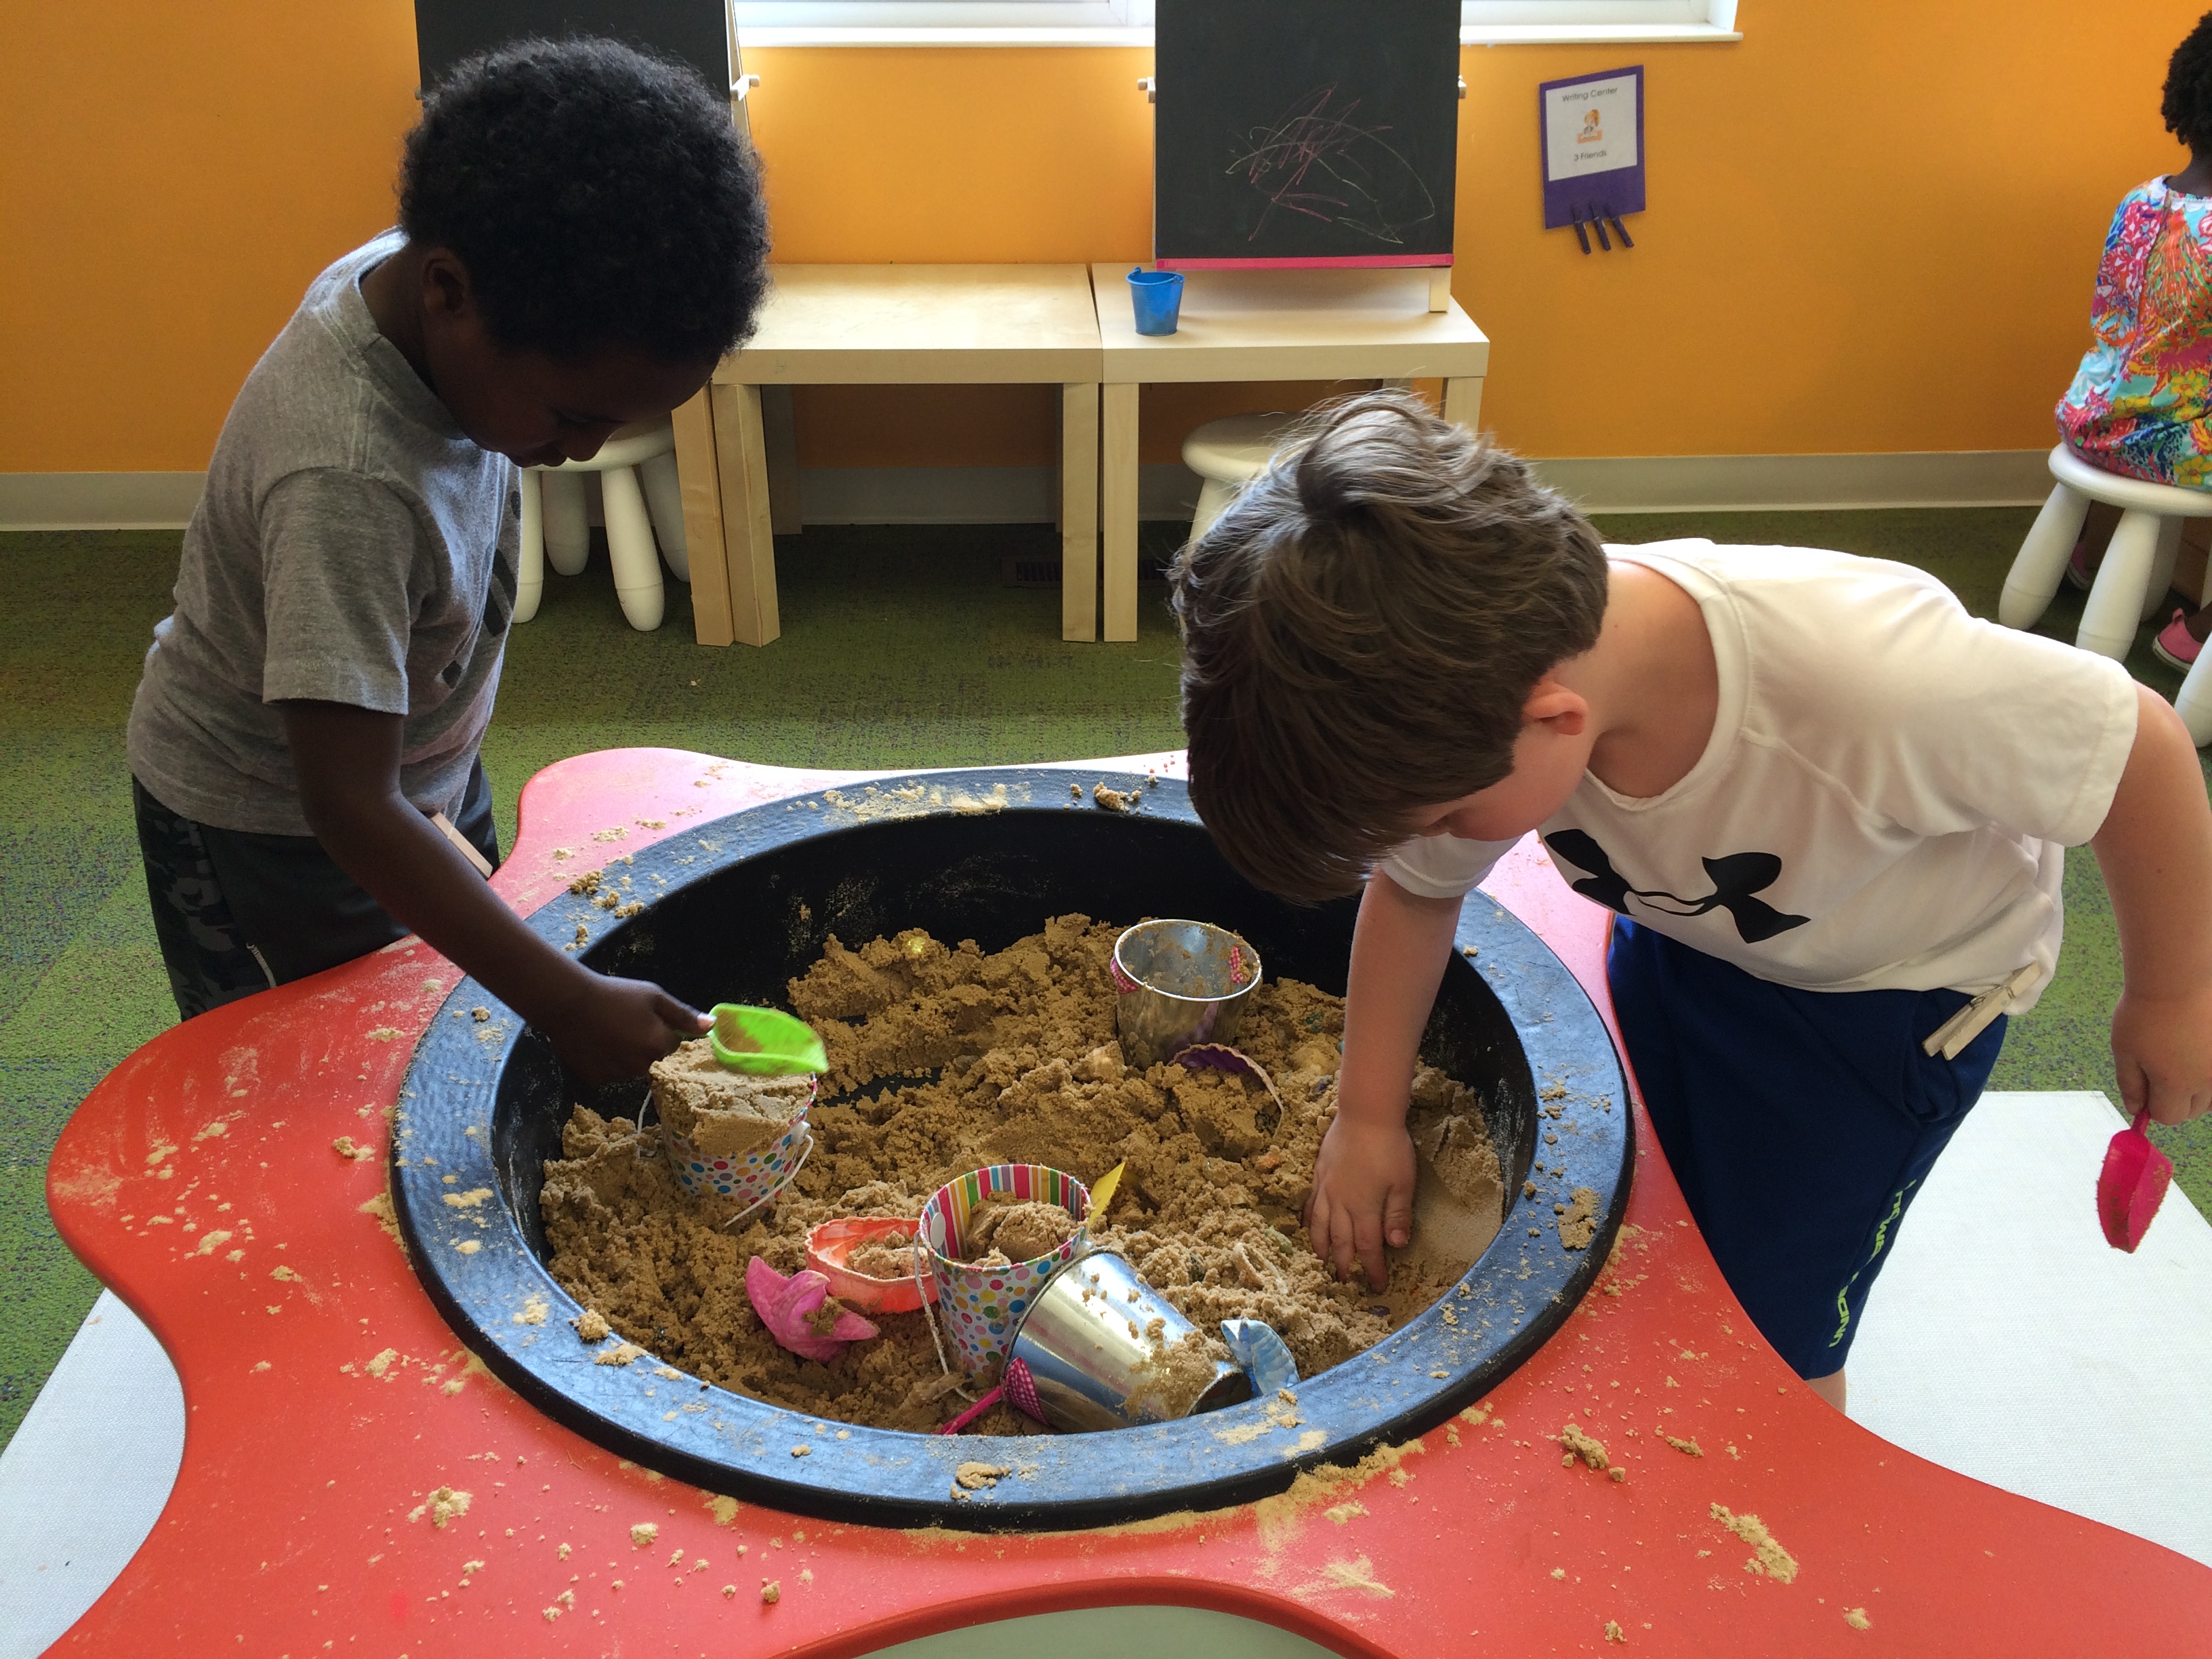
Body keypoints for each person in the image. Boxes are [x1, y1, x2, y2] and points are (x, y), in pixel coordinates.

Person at [1170, 392, 2212, 1411]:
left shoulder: (1872, 682)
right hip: (1678, 930)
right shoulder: (1491, 689)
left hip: (1886, 1008)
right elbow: (1412, 894)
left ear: (1555, 720)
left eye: (1445, 817)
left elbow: (2142, 751)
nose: (1436, 842)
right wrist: (1367, 1116)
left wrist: (2172, 997)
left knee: (1777, 1301)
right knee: (1650, 1213)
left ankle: (1788, 1438)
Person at [127, 39, 771, 1083]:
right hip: (271, 827)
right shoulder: (346, 477)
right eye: (573, 416)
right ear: (448, 292)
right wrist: (568, 1000)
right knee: (332, 1079)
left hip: (411, 771)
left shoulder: (452, 271)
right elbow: (347, 804)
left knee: (447, 1013)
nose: (585, 452)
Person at [2058, 9, 2212, 671]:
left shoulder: (2142, 199)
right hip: (2170, 443)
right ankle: (2196, 633)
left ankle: (2086, 551)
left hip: (2093, 418)